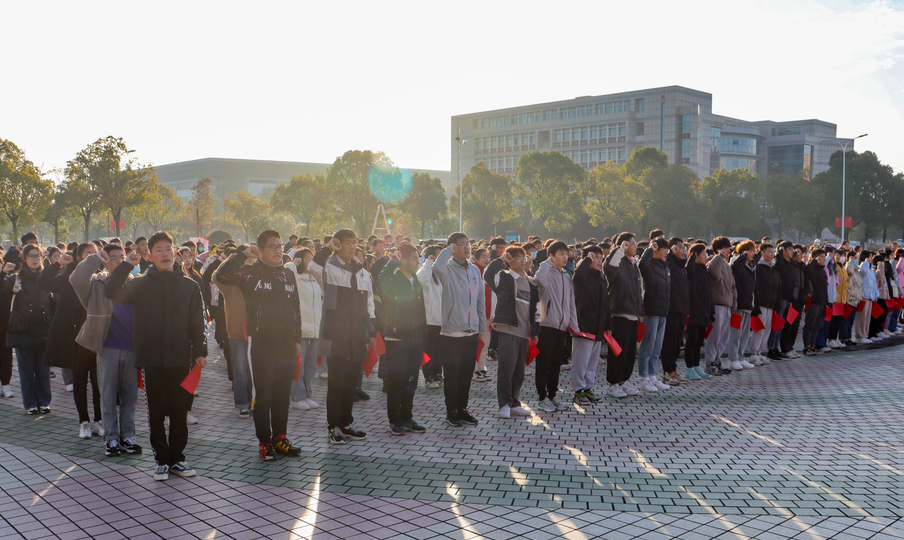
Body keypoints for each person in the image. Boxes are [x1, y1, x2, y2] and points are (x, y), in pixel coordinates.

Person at [105, 231, 208, 481]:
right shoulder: (140, 284)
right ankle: (162, 460)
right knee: (157, 413)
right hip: (151, 360)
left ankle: (177, 458)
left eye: (168, 249)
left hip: (181, 359)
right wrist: (126, 265)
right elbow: (111, 292)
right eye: (158, 250)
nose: (165, 254)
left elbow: (198, 322)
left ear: (175, 253)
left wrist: (200, 352)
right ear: (149, 256)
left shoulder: (189, 286)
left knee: (179, 412)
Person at [215, 230, 303, 461]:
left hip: (286, 342)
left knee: (282, 393)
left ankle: (280, 438)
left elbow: (296, 308)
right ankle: (265, 442)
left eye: (280, 246)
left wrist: (297, 339)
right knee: (263, 394)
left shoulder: (287, 274)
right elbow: (222, 276)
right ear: (261, 249)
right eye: (272, 247)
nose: (278, 250)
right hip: (261, 342)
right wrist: (243, 254)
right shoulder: (251, 272)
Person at [309, 229, 376, 444]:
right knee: (336, 385)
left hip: (357, 337)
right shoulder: (329, 269)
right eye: (347, 242)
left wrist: (371, 331)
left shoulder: (363, 273)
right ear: (339, 244)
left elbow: (370, 304)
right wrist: (329, 248)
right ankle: (333, 427)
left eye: (354, 242)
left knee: (350, 385)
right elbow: (312, 267)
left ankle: (346, 424)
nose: (352, 246)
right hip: (336, 336)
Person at [40, 244, 103, 439]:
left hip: (97, 336)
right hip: (76, 339)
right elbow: (44, 283)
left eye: (94, 254)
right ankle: (84, 422)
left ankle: (99, 420)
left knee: (99, 383)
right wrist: (58, 263)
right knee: (80, 381)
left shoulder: (102, 278)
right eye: (88, 254)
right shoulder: (69, 278)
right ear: (78, 258)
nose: (92, 257)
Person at [432, 232, 486, 427]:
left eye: (468, 243)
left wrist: (480, 326)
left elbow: (480, 300)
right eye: (461, 244)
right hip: (452, 332)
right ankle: (452, 412)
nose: (467, 247)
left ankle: (463, 409)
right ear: (453, 247)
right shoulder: (447, 268)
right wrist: (448, 250)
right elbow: (436, 267)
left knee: (466, 374)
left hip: (471, 332)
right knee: (452, 375)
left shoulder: (474, 270)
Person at [379, 245, 429, 435]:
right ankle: (394, 420)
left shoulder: (415, 280)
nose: (418, 262)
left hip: (415, 339)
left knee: (411, 379)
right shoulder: (393, 278)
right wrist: (393, 261)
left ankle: (407, 417)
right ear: (405, 260)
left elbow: (421, 309)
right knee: (396, 380)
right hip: (397, 338)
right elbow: (382, 278)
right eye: (415, 259)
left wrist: (422, 335)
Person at [484, 245, 538, 417]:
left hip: (524, 332)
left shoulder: (530, 282)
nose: (523, 261)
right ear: (510, 260)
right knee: (506, 369)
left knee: (519, 372)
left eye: (524, 257)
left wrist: (535, 331)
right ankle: (504, 404)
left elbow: (536, 309)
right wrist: (500, 260)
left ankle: (515, 402)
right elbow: (487, 275)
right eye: (518, 257)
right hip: (508, 330)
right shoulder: (504, 278)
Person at [2, 244, 53, 414]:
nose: (35, 259)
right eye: (31, 256)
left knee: (43, 371)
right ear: (23, 259)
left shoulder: (47, 279)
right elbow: (2, 295)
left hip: (43, 329)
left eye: (38, 256)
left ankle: (44, 402)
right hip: (21, 331)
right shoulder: (15, 279)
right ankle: (30, 404)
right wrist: (3, 273)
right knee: (26, 372)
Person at [533, 241, 580, 411]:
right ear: (551, 256)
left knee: (555, 365)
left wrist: (574, 325)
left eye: (566, 254)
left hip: (562, 328)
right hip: (546, 326)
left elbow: (571, 304)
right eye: (561, 254)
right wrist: (546, 264)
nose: (565, 257)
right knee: (543, 364)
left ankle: (552, 396)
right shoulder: (545, 273)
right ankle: (542, 398)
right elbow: (538, 280)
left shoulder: (567, 276)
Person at [211, 247, 253, 419]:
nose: (250, 264)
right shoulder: (229, 284)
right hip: (236, 333)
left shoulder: (257, 279)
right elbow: (215, 276)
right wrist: (234, 258)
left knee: (256, 370)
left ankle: (255, 401)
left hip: (257, 332)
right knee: (241, 369)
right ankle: (242, 404)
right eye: (247, 260)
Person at [603, 232, 643, 397]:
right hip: (620, 314)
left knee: (629, 353)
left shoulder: (633, 264)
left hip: (633, 314)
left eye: (634, 244)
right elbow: (610, 266)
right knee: (618, 352)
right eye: (631, 244)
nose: (634, 246)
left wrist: (640, 311)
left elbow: (639, 290)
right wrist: (620, 249)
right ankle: (613, 384)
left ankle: (624, 381)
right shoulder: (617, 262)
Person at [569, 245, 609, 403]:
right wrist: (587, 259)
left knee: (592, 362)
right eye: (595, 257)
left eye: (600, 257)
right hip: (584, 326)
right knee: (581, 361)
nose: (599, 261)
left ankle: (588, 388)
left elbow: (605, 303)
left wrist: (608, 325)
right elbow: (578, 275)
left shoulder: (601, 278)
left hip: (598, 326)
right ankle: (578, 390)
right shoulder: (582, 276)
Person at [285, 247, 322, 412]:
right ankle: (297, 397)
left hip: (315, 330)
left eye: (312, 259)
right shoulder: (295, 277)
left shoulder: (316, 279)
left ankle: (308, 395)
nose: (310, 262)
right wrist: (294, 263)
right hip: (301, 330)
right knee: (298, 367)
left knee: (311, 366)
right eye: (307, 259)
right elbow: (286, 270)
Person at [637, 238, 672, 392]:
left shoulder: (665, 267)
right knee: (648, 347)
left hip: (663, 311)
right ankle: (644, 379)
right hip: (651, 311)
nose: (666, 253)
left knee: (657, 348)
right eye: (664, 249)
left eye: (668, 250)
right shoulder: (649, 264)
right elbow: (642, 264)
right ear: (656, 250)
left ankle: (652, 377)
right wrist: (649, 249)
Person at [704, 237, 737, 375]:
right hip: (717, 304)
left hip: (727, 304)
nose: (729, 251)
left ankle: (717, 360)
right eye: (727, 248)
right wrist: (719, 257)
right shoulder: (713, 262)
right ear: (720, 249)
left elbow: (733, 286)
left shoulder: (727, 266)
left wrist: (734, 303)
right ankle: (710, 362)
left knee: (724, 337)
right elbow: (715, 276)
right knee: (714, 336)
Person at [684, 243, 714, 381]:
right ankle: (689, 369)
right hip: (694, 312)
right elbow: (688, 271)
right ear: (696, 255)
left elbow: (709, 294)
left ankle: (696, 366)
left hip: (704, 312)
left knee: (698, 343)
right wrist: (691, 257)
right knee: (691, 342)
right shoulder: (692, 270)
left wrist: (711, 312)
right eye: (703, 254)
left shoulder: (705, 272)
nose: (706, 257)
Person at [661, 238, 688, 386]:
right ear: (673, 249)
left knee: (677, 343)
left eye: (684, 247)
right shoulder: (669, 263)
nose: (683, 250)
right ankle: (667, 372)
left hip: (682, 309)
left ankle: (673, 369)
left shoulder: (681, 266)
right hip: (672, 309)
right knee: (670, 343)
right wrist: (670, 253)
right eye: (680, 247)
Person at [416, 245, 444, 389]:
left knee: (439, 350)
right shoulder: (425, 271)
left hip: (442, 320)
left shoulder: (443, 273)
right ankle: (428, 376)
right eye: (437, 255)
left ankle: (438, 373)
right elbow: (421, 281)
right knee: (428, 350)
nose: (440, 258)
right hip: (429, 319)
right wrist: (428, 263)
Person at [726, 241, 756, 368]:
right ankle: (734, 359)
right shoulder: (737, 263)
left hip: (748, 304)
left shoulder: (751, 267)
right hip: (738, 305)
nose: (752, 253)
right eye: (750, 251)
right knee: (735, 333)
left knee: (745, 333)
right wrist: (742, 257)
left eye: (753, 251)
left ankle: (741, 357)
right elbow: (736, 268)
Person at [751, 243, 782, 365]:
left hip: (771, 303)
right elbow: (756, 287)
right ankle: (753, 354)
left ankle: (759, 352)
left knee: (767, 330)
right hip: (761, 303)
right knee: (759, 329)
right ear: (762, 253)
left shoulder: (774, 268)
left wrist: (777, 303)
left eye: (773, 252)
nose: (772, 254)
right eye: (769, 252)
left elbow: (778, 287)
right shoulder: (758, 268)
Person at [803, 249, 828, 355]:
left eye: (824, 257)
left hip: (822, 301)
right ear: (816, 258)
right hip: (813, 301)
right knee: (810, 324)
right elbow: (806, 271)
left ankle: (813, 345)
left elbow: (824, 287)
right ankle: (807, 347)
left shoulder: (822, 270)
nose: (824, 259)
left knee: (817, 325)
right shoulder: (811, 268)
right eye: (822, 257)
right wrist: (813, 262)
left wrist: (826, 301)